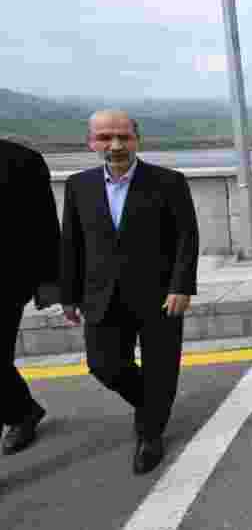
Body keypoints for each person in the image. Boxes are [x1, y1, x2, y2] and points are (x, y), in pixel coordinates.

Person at [61, 110, 199, 475]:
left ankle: (150, 433)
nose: (116, 145)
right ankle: (152, 402)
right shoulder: (78, 186)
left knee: (161, 368)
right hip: (101, 295)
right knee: (103, 365)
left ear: (138, 139)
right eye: (105, 137)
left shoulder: (169, 182)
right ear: (91, 142)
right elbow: (72, 243)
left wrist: (182, 286)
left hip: (159, 295)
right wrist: (69, 294)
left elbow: (187, 238)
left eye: (124, 136)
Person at [1, 139, 60, 455]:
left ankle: (22, 413)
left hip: (7, 281)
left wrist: (50, 281)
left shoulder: (21, 160)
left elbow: (45, 225)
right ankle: (22, 411)